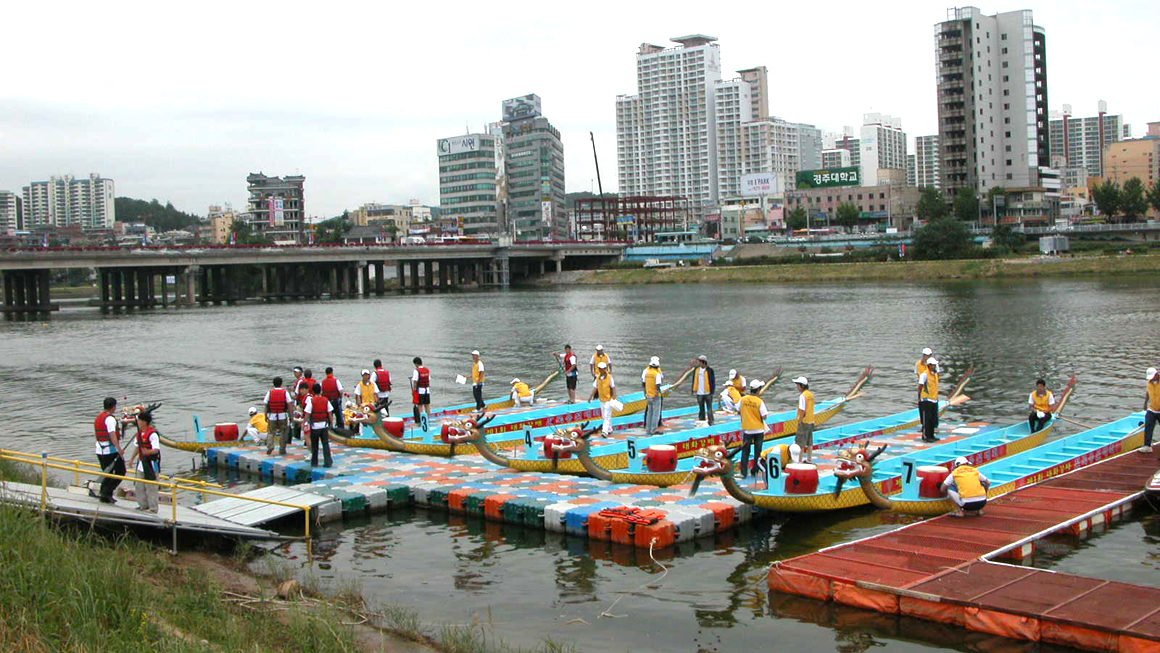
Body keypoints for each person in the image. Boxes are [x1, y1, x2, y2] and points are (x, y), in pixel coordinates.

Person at [92, 397, 125, 504]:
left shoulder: (99, 417)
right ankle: (106, 493)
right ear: (113, 407)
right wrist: (119, 449)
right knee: (120, 472)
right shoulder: (110, 419)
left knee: (107, 473)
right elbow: (112, 435)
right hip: (110, 451)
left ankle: (104, 494)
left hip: (100, 450)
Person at [128, 410, 161, 513]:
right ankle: (143, 505)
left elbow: (156, 449)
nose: (138, 423)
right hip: (141, 463)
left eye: (140, 421)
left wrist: (147, 452)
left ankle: (153, 508)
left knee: (151, 487)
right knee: (139, 486)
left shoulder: (153, 434)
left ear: (144, 422)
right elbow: (137, 448)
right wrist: (132, 459)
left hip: (151, 463)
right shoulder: (139, 434)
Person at [738, 379, 770, 479]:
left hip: (748, 429)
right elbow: (764, 416)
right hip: (759, 430)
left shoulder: (743, 399)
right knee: (758, 452)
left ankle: (743, 473)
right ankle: (754, 471)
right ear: (758, 390)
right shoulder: (759, 401)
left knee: (745, 451)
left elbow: (738, 409)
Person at [304, 382, 334, 467]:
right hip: (324, 426)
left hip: (315, 427)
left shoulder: (311, 401)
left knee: (315, 445)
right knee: (325, 444)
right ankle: (328, 462)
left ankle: (314, 463)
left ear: (313, 391)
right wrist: (331, 424)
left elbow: (307, 414)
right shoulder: (326, 400)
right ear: (321, 391)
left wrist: (304, 423)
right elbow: (330, 413)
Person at [264, 376, 291, 455]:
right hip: (282, 415)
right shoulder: (285, 392)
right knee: (283, 432)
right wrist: (291, 416)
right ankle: (282, 448)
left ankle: (270, 446)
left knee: (271, 432)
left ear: (273, 384)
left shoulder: (270, 392)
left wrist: (265, 415)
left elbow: (266, 405)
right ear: (281, 384)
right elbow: (289, 405)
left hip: (272, 415)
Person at [589, 362, 617, 435]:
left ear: (605, 369)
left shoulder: (609, 377)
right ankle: (609, 429)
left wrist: (614, 396)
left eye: (603, 369)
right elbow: (595, 387)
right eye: (600, 369)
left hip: (608, 399)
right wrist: (590, 397)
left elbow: (613, 387)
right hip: (602, 400)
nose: (601, 370)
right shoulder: (598, 378)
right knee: (604, 416)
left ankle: (605, 431)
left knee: (607, 415)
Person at [918, 358, 941, 443]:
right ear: (929, 365)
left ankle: (931, 435)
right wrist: (919, 398)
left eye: (935, 365)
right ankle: (926, 436)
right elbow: (920, 386)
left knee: (933, 419)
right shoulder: (924, 375)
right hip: (926, 399)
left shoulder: (935, 374)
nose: (935, 366)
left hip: (934, 399)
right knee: (927, 419)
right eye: (933, 365)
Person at [794, 376, 817, 463]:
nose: (797, 387)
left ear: (802, 386)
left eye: (798, 385)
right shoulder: (810, 395)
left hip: (804, 421)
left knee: (800, 442)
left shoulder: (802, 396)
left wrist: (799, 421)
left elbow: (802, 409)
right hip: (811, 420)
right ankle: (809, 459)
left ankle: (799, 460)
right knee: (809, 441)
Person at [641, 356, 665, 435]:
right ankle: (653, 429)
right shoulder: (656, 373)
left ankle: (648, 430)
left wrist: (645, 393)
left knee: (649, 413)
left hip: (648, 395)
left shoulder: (646, 372)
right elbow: (658, 385)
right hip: (655, 396)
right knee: (656, 414)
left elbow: (643, 383)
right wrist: (657, 394)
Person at [691, 355, 716, 425]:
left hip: (708, 393)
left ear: (703, 362)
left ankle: (711, 422)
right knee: (701, 409)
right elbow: (694, 380)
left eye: (700, 362)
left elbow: (712, 381)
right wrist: (693, 389)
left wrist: (712, 391)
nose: (699, 363)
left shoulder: (710, 370)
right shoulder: (696, 370)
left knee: (709, 409)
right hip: (699, 393)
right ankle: (702, 421)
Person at [1143, 367, 1160, 453]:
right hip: (1152, 409)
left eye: (1153, 377)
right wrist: (1145, 402)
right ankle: (1147, 446)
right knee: (1148, 427)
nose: (1152, 379)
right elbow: (1148, 392)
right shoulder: (1149, 383)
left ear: (1156, 375)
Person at [916, 348, 933, 429]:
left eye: (929, 355)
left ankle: (932, 426)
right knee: (922, 408)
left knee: (931, 409)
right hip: (922, 388)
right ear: (923, 355)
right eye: (926, 355)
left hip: (931, 389)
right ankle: (923, 426)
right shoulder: (918, 364)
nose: (927, 357)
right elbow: (917, 375)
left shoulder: (932, 364)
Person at [411, 357, 432, 421]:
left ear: (416, 364)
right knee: (427, 405)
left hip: (420, 390)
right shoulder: (427, 370)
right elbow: (429, 379)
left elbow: (415, 381)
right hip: (427, 390)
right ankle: (428, 418)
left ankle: (422, 419)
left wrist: (414, 391)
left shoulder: (416, 371)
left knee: (420, 405)